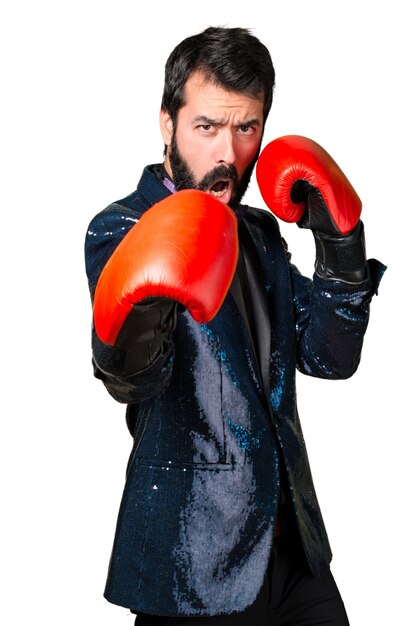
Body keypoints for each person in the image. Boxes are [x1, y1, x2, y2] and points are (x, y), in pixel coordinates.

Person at [84, 26, 385, 626]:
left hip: (293, 550)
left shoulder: (260, 234)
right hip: (195, 562)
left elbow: (331, 355)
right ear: (167, 124)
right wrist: (146, 308)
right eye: (207, 127)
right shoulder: (121, 228)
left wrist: (339, 242)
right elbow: (135, 382)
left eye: (246, 128)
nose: (228, 151)